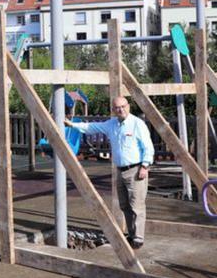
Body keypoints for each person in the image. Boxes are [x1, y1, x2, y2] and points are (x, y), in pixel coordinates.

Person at [65, 96, 154, 248]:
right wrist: (71, 124)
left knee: (137, 206)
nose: (121, 110)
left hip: (136, 169)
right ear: (113, 110)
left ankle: (138, 238)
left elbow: (148, 147)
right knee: (125, 205)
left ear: (129, 106)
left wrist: (145, 166)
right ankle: (131, 235)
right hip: (120, 170)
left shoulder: (137, 124)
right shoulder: (111, 124)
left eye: (123, 106)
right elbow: (91, 127)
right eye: (118, 108)